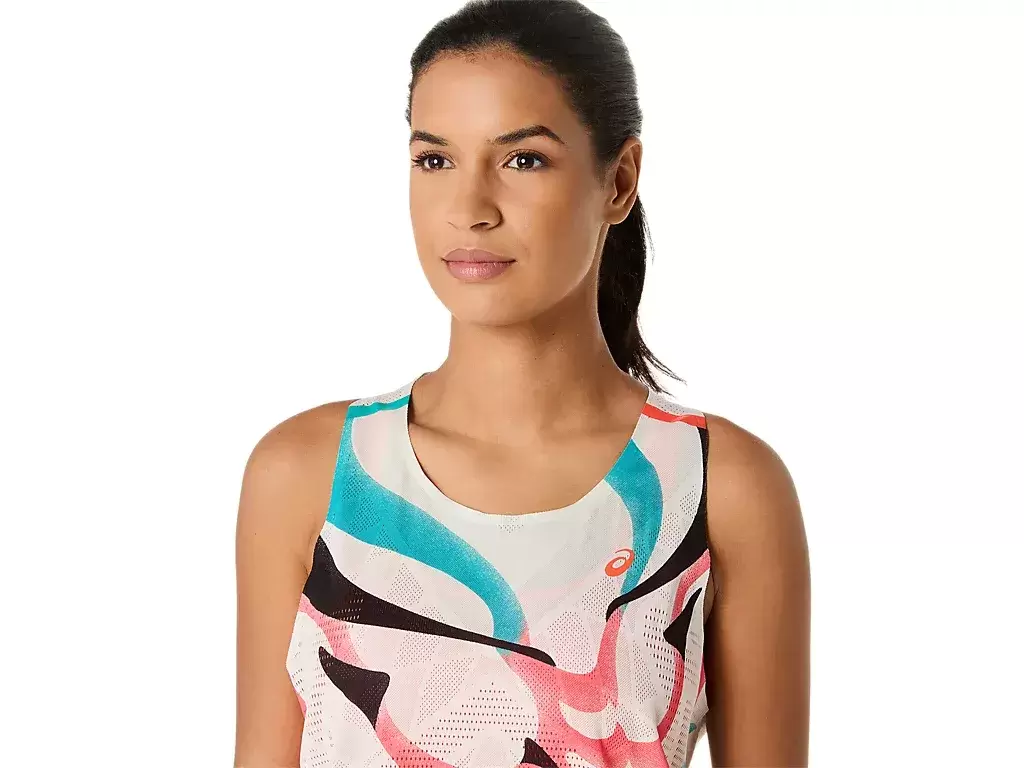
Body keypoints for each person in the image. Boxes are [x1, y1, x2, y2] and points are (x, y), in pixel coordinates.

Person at [234, 1, 811, 766]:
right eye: (434, 160)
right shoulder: (310, 474)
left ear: (619, 182)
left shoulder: (720, 486)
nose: (469, 209)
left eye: (523, 159)